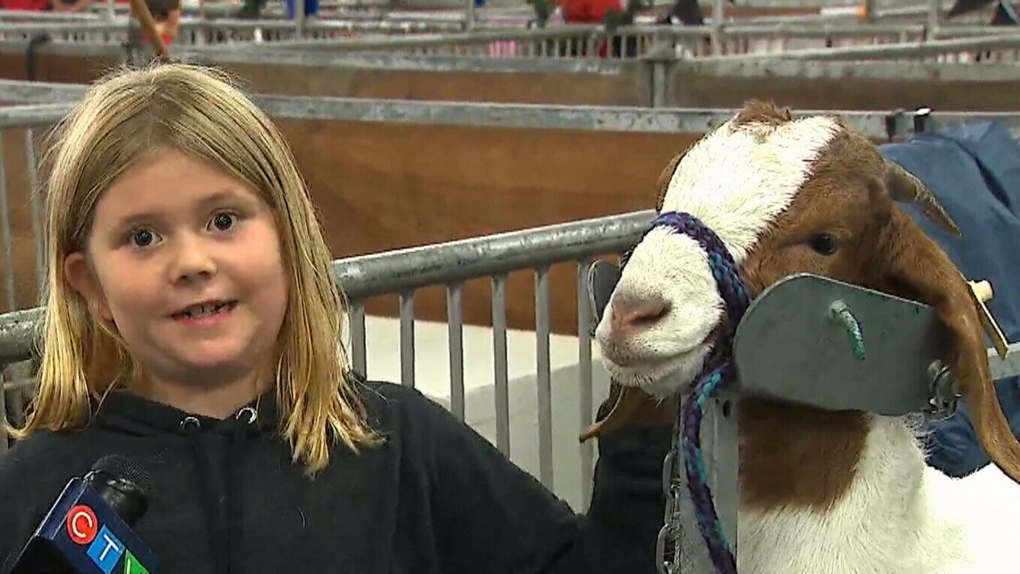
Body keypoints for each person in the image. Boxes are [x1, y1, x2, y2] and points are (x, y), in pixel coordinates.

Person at [0, 62, 671, 574]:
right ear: (88, 283)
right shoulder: (36, 486)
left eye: (224, 220)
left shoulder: (400, 445)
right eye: (142, 237)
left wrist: (643, 420)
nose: (191, 260)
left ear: (289, 239)